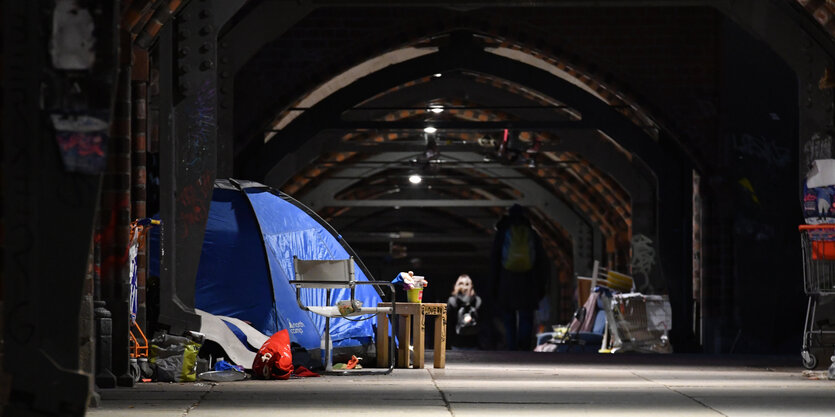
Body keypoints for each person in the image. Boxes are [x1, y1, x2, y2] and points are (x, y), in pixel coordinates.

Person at [490, 204, 547, 350]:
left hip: (506, 281)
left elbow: (495, 261)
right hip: (528, 281)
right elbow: (541, 262)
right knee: (526, 317)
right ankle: (524, 349)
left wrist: (493, 286)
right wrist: (541, 288)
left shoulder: (502, 233)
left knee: (508, 319)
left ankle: (511, 349)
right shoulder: (531, 233)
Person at [447, 274, 482, 349]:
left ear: (471, 286)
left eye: (467, 284)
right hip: (456, 343)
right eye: (461, 283)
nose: (464, 287)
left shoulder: (477, 301)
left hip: (473, 343)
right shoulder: (452, 301)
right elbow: (448, 324)